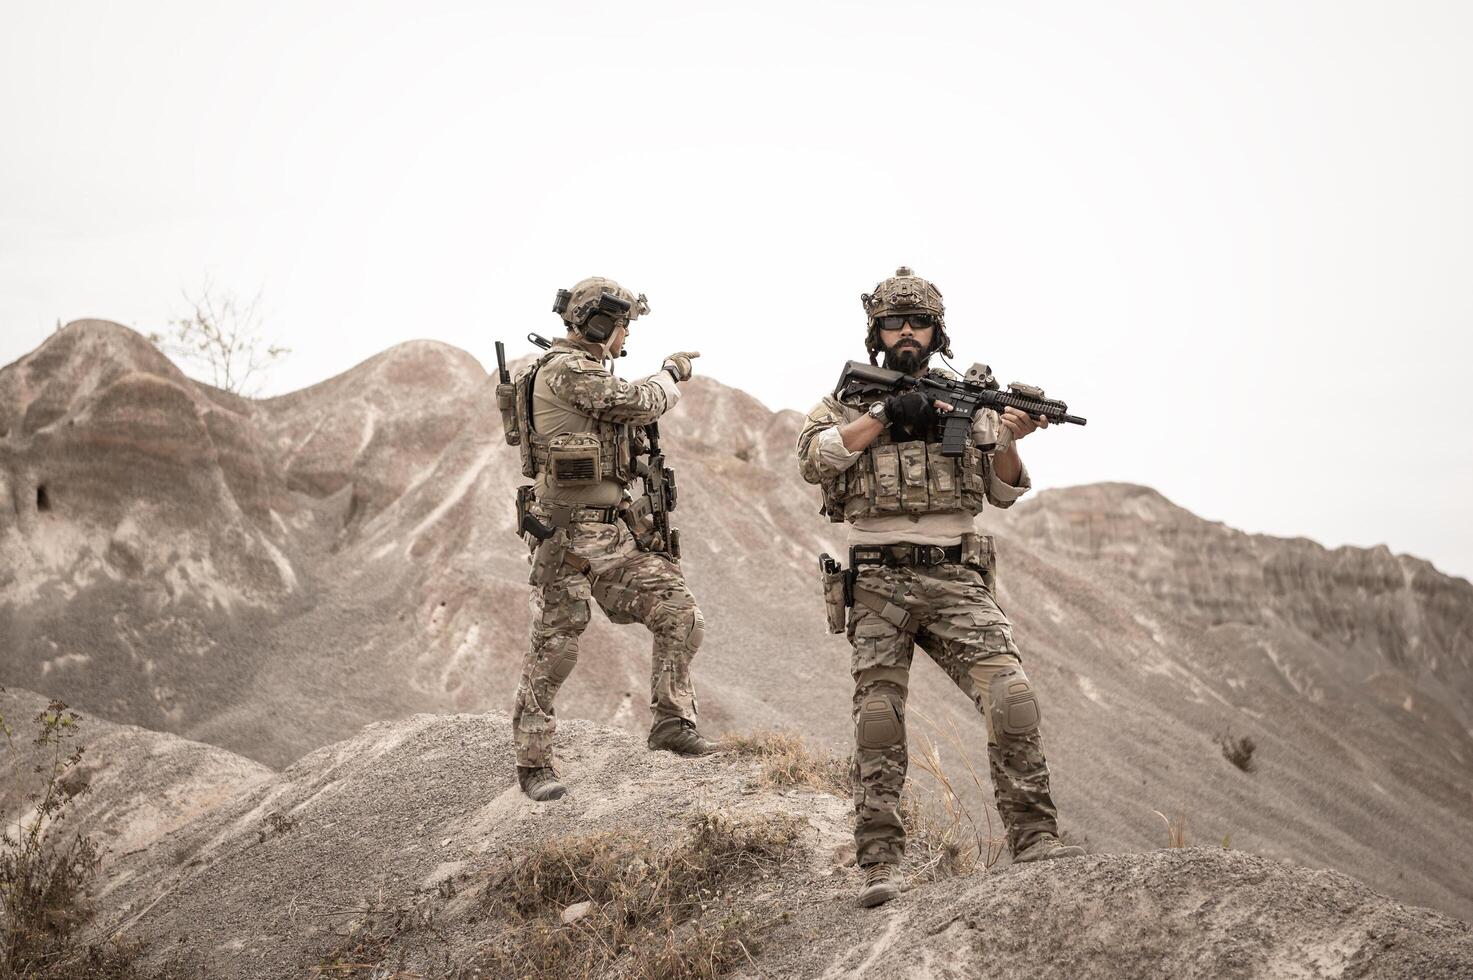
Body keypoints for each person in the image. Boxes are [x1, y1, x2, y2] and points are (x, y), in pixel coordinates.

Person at [796, 266, 1083, 908]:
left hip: (956, 574)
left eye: (917, 322)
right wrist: (885, 414)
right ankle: (880, 861)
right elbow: (815, 458)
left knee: (1011, 697)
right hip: (875, 580)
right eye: (893, 322)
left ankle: (1035, 839)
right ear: (876, 331)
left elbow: (1005, 490)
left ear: (935, 331)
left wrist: (1007, 435)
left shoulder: (966, 397)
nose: (905, 332)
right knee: (878, 718)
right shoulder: (845, 400)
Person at [504, 276, 712, 803]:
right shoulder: (567, 369)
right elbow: (639, 401)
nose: (625, 338)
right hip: (564, 534)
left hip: (609, 530)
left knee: (679, 613)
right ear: (600, 326)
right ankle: (534, 762)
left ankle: (671, 722)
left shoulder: (586, 372)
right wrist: (671, 374)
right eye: (622, 327)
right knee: (557, 643)